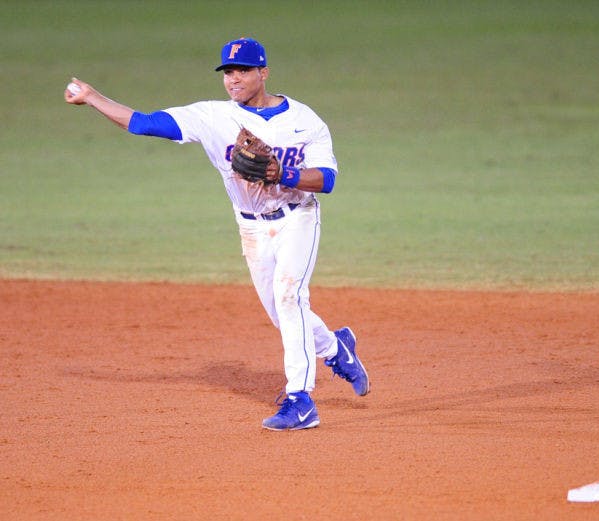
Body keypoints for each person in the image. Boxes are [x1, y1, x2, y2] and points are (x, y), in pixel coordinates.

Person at [64, 36, 370, 431]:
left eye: (243, 70)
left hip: (299, 218)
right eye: (228, 72)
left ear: (264, 72)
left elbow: (326, 179)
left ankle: (301, 400)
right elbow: (143, 123)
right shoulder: (212, 117)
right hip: (251, 227)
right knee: (283, 312)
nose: (234, 79)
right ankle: (335, 347)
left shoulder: (306, 120)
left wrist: (285, 174)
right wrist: (92, 97)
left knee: (289, 295)